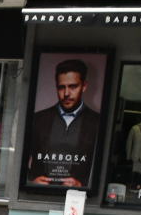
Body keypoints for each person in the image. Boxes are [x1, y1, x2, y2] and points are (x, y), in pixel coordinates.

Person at [25, 58, 102, 189]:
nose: (66, 93)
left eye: (73, 86)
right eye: (61, 87)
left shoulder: (97, 122)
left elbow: (101, 164)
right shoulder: (38, 119)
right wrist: (30, 180)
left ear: (84, 86)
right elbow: (19, 154)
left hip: (77, 197)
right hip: (40, 194)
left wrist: (83, 184)